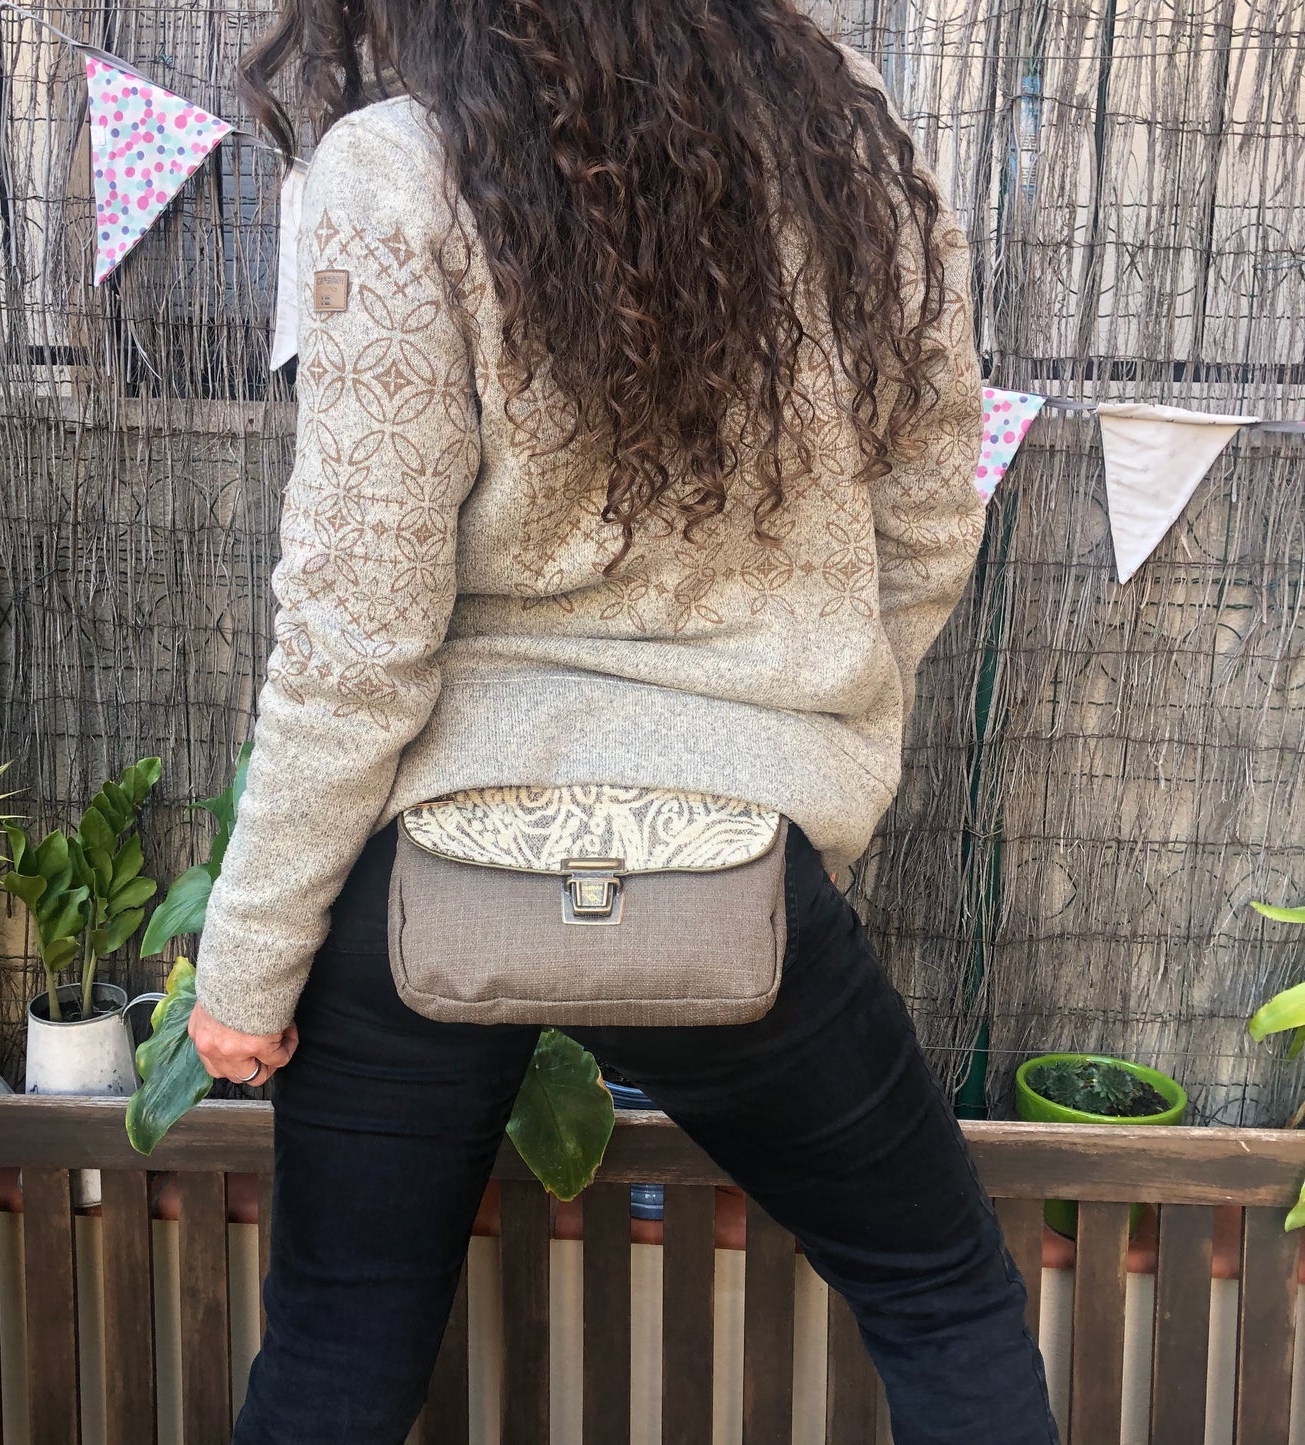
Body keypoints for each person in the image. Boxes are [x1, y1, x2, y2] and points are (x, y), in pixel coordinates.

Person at [189, 2, 1059, 1441]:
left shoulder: (396, 169)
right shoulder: (838, 140)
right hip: (736, 860)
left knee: (338, 1349)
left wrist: (246, 964)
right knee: (940, 1295)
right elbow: (926, 510)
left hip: (422, 862)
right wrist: (804, 743)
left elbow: (355, 628)